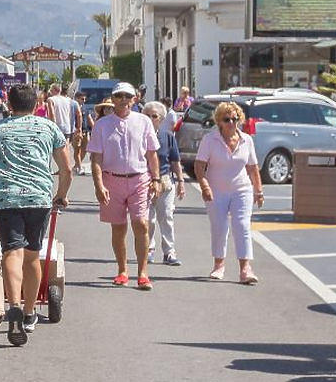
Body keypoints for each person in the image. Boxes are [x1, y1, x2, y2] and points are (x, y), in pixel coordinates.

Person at [0, 82, 73, 345]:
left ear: (9, 103)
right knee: (32, 255)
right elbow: (66, 168)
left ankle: (14, 305)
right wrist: (61, 194)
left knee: (11, 252)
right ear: (36, 103)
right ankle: (29, 313)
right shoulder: (49, 128)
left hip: (6, 197)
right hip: (39, 198)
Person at [90, 83, 161, 289]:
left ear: (134, 99)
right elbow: (96, 158)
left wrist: (156, 179)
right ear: (112, 99)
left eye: (127, 96)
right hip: (112, 180)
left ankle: (143, 273)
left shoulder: (144, 121)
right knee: (119, 227)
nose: (123, 99)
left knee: (141, 224)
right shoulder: (102, 125)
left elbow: (151, 154)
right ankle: (122, 270)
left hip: (139, 178)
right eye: (119, 96)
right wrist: (99, 185)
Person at [192, 99, 263, 284]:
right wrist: (204, 185)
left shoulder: (246, 140)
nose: (231, 123)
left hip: (242, 189)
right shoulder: (210, 140)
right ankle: (219, 265)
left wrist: (259, 191)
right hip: (216, 190)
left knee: (242, 225)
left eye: (235, 119)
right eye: (227, 119)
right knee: (220, 227)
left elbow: (253, 167)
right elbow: (199, 165)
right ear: (219, 121)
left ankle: (245, 269)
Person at [141, 101, 186, 267]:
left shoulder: (167, 136)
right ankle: (149, 248)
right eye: (147, 115)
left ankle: (169, 252)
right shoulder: (137, 135)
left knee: (166, 216)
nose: (150, 119)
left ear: (160, 119)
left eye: (154, 116)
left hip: (165, 181)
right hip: (143, 181)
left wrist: (181, 181)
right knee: (148, 218)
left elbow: (175, 161)